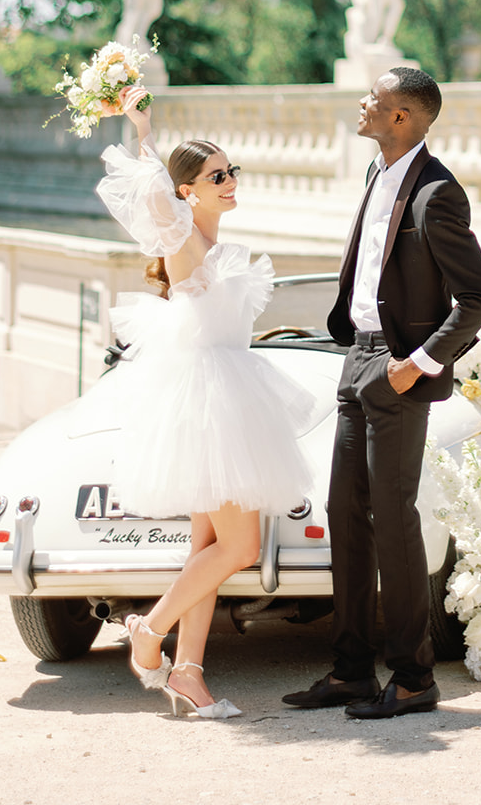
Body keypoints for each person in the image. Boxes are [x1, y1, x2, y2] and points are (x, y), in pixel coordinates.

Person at [283, 67, 481, 719]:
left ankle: (411, 679)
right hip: (356, 360)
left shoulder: (437, 195)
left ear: (401, 115)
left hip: (398, 371)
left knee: (394, 522)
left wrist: (419, 363)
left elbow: (478, 299)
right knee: (344, 516)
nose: (361, 105)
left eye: (372, 100)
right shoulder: (377, 177)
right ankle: (349, 671)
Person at [95, 84, 315, 719]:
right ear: (188, 190)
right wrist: (142, 129)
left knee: (207, 551)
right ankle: (150, 629)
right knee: (242, 548)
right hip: (211, 405)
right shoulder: (182, 237)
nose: (230, 180)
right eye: (217, 174)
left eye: (231, 170)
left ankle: (189, 674)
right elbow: (151, 191)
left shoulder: (213, 246)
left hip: (229, 398)